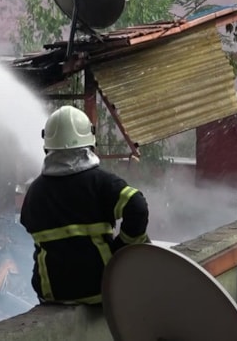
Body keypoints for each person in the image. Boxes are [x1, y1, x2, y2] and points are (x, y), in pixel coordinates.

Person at [20, 105, 149, 305]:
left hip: (54, 293)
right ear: (89, 142)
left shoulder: (35, 191)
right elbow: (137, 206)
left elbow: (28, 224)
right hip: (101, 287)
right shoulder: (101, 182)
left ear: (47, 145)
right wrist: (124, 245)